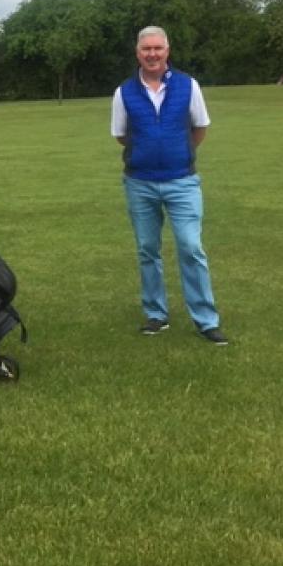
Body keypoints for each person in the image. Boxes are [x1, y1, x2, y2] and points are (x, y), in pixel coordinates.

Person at [111, 26, 228, 345]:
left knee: (191, 247)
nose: (152, 54)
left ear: (167, 50)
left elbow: (200, 127)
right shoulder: (124, 91)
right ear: (137, 52)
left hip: (182, 182)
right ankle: (156, 314)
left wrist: (178, 152)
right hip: (140, 183)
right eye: (146, 49)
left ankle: (205, 319)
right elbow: (121, 134)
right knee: (148, 250)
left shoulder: (188, 85)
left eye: (157, 48)